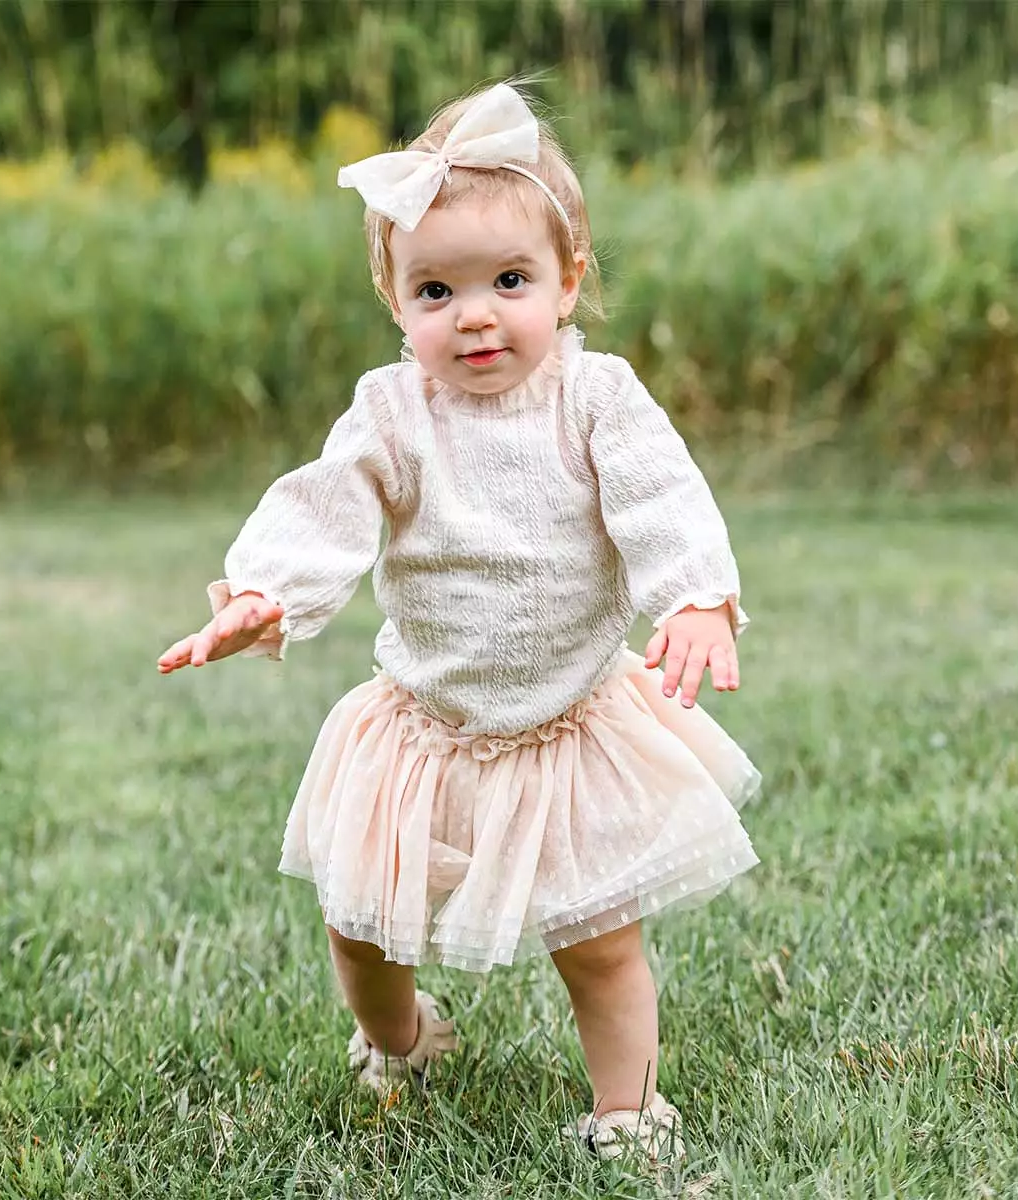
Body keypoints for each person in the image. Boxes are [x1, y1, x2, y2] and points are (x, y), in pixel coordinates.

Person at [158, 83, 760, 1165]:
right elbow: (328, 503)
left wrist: (698, 597)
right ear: (395, 300)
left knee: (600, 943)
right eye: (436, 289)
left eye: (509, 281)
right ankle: (400, 1038)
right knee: (361, 921)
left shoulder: (598, 398)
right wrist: (266, 593)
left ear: (569, 281)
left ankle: (629, 1109)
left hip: (567, 725)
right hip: (424, 728)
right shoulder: (393, 412)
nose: (474, 314)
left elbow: (661, 498)